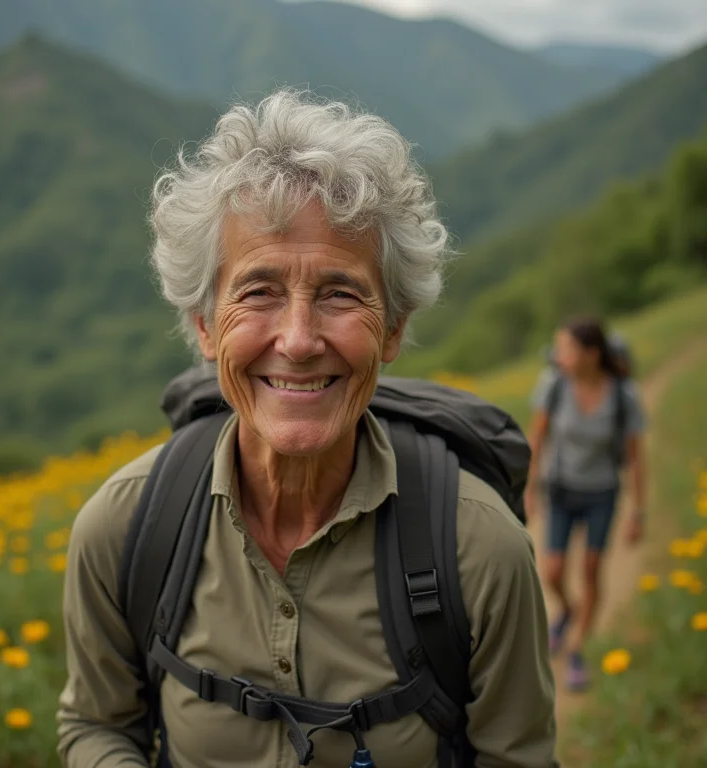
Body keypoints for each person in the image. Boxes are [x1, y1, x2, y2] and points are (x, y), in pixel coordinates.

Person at [56, 89, 558, 768]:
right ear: (204, 326)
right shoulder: (125, 529)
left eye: (340, 293)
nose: (296, 340)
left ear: (393, 328)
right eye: (258, 291)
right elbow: (96, 725)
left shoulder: (478, 550)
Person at [525, 316, 646, 692]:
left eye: (566, 349)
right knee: (553, 572)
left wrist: (637, 511)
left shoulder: (623, 395)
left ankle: (577, 649)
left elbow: (637, 458)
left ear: (591, 354)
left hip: (601, 494)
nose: (558, 356)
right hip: (561, 490)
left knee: (592, 569)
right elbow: (538, 437)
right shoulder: (554, 386)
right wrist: (529, 489)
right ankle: (570, 611)